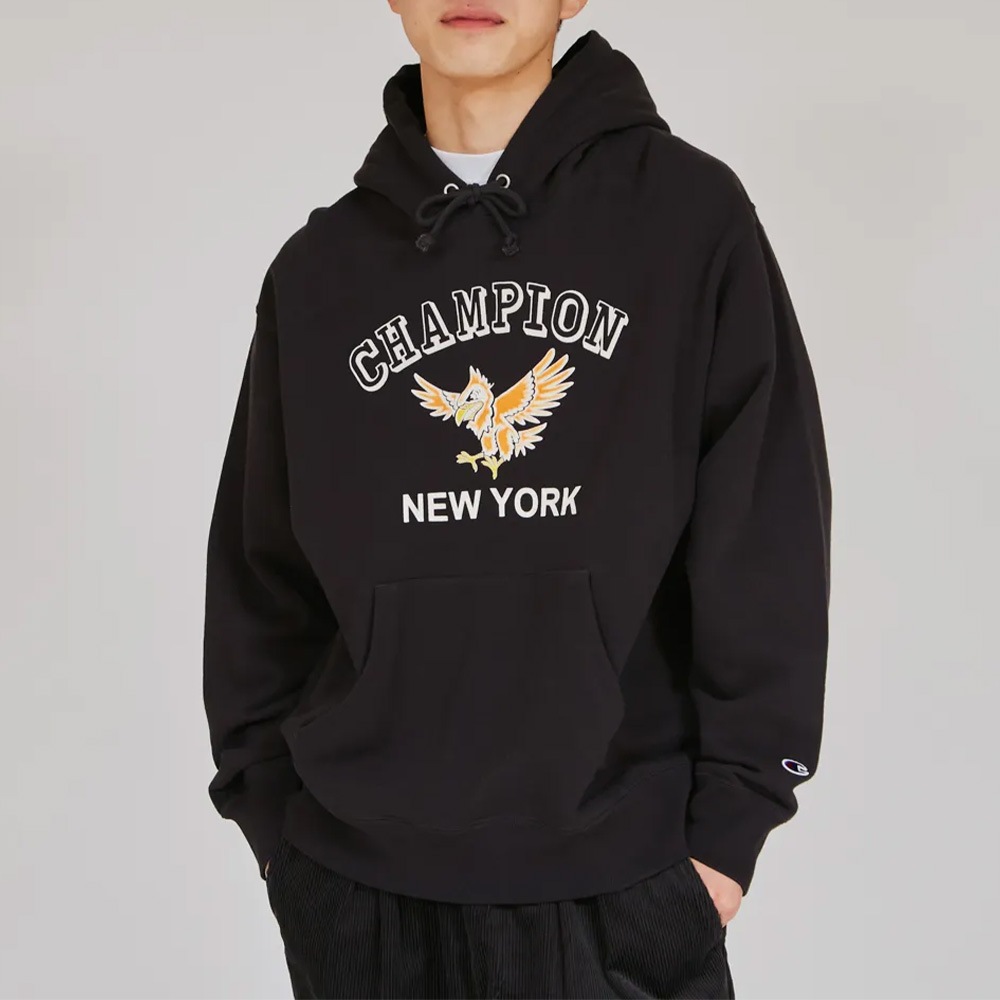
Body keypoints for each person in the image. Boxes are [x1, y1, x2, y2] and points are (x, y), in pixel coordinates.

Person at [201, 1, 832, 997]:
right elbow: (260, 573)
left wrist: (727, 834)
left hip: (621, 879)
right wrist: (278, 831)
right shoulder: (319, 274)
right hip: (362, 891)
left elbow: (766, 532)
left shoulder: (687, 221)